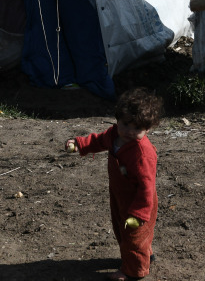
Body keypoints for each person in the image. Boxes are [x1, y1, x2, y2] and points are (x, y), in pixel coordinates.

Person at [66, 88, 164, 281]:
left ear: (148, 129)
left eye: (137, 128)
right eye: (126, 124)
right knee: (122, 230)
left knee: (133, 236)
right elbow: (99, 140)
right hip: (120, 195)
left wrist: (139, 213)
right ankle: (145, 256)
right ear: (117, 119)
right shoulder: (114, 136)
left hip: (138, 202)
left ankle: (133, 272)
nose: (129, 131)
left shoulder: (142, 154)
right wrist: (80, 144)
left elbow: (147, 186)